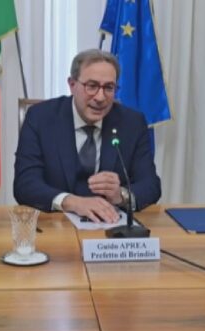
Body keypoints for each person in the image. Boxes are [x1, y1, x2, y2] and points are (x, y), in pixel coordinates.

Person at [14, 49, 161, 223]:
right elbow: (25, 184)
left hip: (111, 225)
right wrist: (72, 202)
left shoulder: (132, 123)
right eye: (92, 86)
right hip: (55, 224)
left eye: (109, 88)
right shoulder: (40, 118)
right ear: (72, 84)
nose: (100, 97)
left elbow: (151, 185)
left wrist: (121, 195)